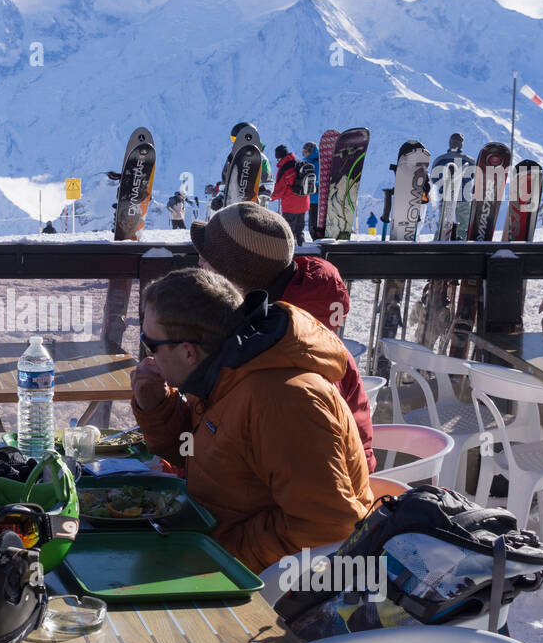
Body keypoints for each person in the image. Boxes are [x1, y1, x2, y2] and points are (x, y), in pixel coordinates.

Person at [131, 267, 373, 571]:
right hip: (209, 543)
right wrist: (154, 405)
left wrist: (217, 552)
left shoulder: (283, 402)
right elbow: (191, 451)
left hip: (268, 589)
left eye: (150, 344)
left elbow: (325, 530)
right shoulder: (220, 371)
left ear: (188, 351)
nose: (148, 357)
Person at [190, 202, 376, 471]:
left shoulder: (284, 361)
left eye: (206, 259)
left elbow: (311, 484)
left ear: (231, 280)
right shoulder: (276, 336)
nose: (199, 263)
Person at [270, 144, 308, 244]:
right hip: (304, 204)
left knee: (289, 232)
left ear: (279, 157)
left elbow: (279, 190)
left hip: (290, 206)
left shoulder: (284, 169)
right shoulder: (300, 163)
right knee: (300, 231)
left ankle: (292, 255)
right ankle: (303, 250)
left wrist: (270, 197)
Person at [302, 142, 321, 238]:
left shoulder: (316, 163)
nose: (303, 154)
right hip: (311, 199)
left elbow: (316, 178)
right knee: (312, 224)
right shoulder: (309, 162)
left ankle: (317, 240)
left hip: (315, 198)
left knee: (313, 225)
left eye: (305, 151)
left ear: (310, 151)